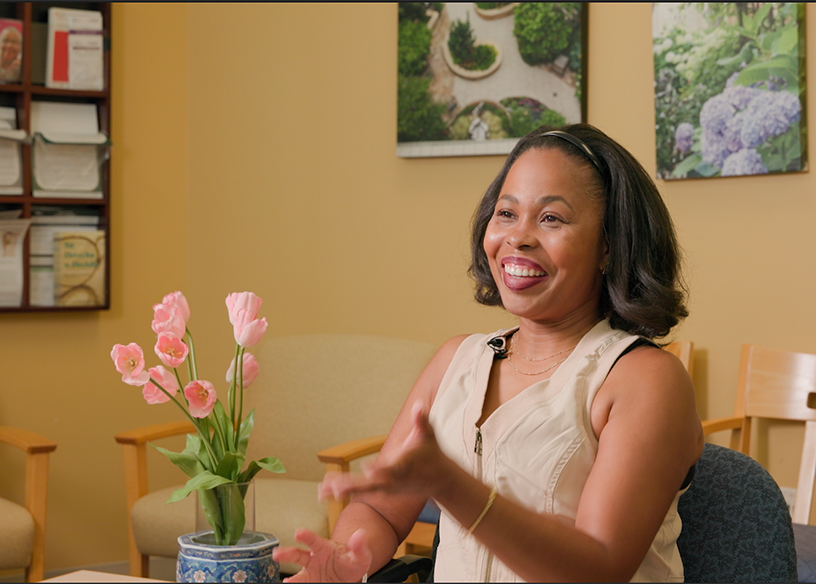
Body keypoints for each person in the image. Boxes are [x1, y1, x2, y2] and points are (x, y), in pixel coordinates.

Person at [273, 123, 704, 582]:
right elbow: (380, 511)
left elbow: (599, 568)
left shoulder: (645, 379)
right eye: (506, 213)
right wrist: (344, 558)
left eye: (551, 218)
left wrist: (453, 487)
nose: (518, 237)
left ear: (608, 246)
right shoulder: (456, 361)